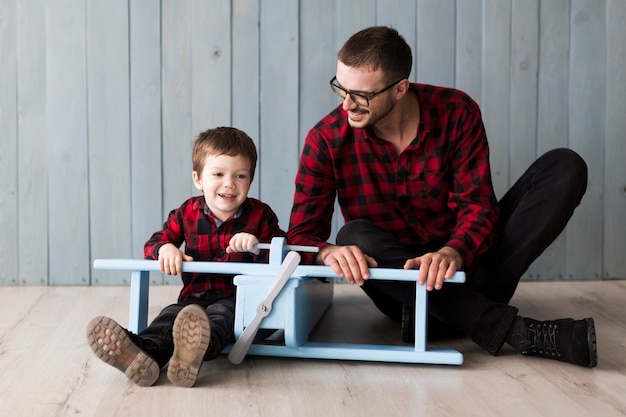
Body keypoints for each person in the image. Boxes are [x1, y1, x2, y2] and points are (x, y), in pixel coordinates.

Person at [287, 26, 597, 367]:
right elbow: (301, 236)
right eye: (341, 89)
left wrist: (453, 251)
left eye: (361, 95)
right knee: (352, 234)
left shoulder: (457, 112)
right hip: (398, 287)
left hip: (469, 267)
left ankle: (440, 317)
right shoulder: (325, 139)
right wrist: (327, 251)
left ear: (400, 88)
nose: (347, 104)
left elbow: (478, 208)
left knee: (564, 166)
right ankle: (515, 330)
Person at [86, 127, 287, 387]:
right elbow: (155, 241)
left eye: (240, 175)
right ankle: (142, 353)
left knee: (219, 320)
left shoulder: (260, 215)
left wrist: (258, 247)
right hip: (193, 300)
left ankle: (193, 352)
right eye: (218, 174)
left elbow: (284, 255)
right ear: (198, 179)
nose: (229, 183)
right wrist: (165, 249)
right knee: (169, 318)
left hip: (237, 302)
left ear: (250, 181)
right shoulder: (187, 212)